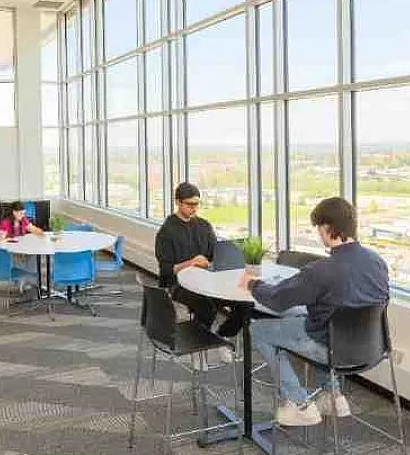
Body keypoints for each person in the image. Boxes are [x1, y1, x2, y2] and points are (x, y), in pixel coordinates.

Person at [238, 197, 389, 427]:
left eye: (319, 229)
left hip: (328, 347)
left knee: (257, 329)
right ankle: (332, 396)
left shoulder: (321, 270)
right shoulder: (377, 261)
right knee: (304, 317)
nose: (319, 234)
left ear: (328, 228)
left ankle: (298, 403)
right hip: (371, 348)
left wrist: (251, 284)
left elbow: (278, 300)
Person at [155, 182, 237, 348]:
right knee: (206, 306)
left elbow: (216, 254)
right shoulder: (166, 232)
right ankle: (197, 345)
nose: (194, 208)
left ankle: (222, 335)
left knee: (240, 303)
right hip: (179, 285)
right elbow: (165, 271)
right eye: (190, 204)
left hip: (207, 280)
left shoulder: (204, 226)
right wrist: (191, 263)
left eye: (197, 204)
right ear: (178, 202)